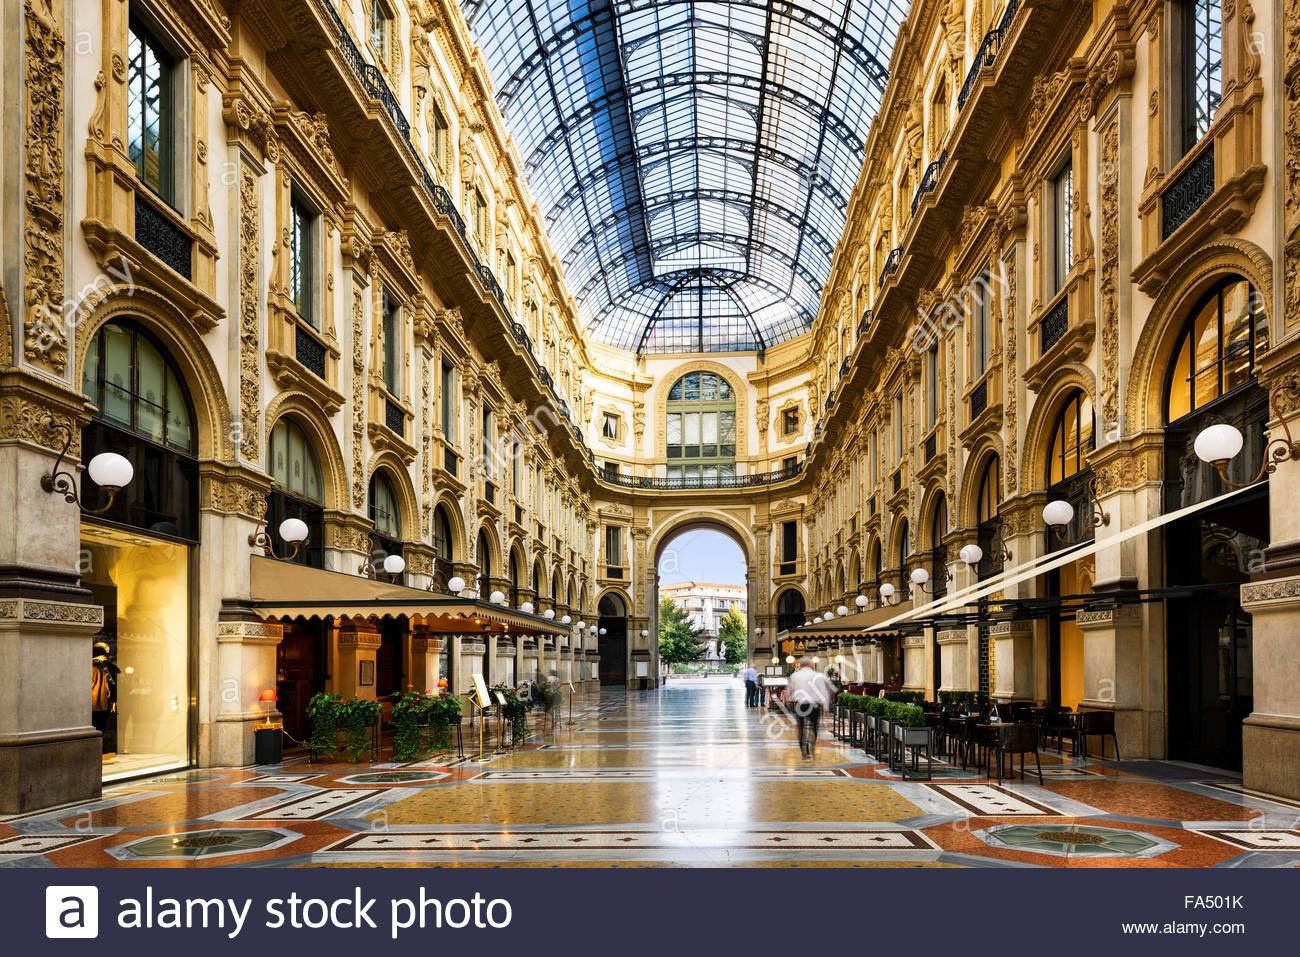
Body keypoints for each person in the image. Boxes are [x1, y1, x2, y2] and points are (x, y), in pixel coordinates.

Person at [787, 659, 833, 758]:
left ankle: (804, 751)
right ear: (810, 664)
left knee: (801, 728)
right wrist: (826, 707)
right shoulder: (817, 676)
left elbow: (790, 690)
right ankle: (812, 746)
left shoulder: (794, 676)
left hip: (800, 704)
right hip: (814, 705)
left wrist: (792, 700)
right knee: (814, 726)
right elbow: (823, 692)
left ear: (800, 665)